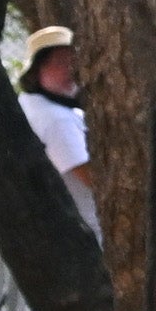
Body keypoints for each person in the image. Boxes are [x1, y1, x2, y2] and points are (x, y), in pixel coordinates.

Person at [16, 25, 102, 240]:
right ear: (36, 72)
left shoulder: (30, 104)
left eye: (74, 62)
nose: (71, 70)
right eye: (61, 63)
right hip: (89, 230)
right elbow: (94, 181)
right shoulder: (57, 120)